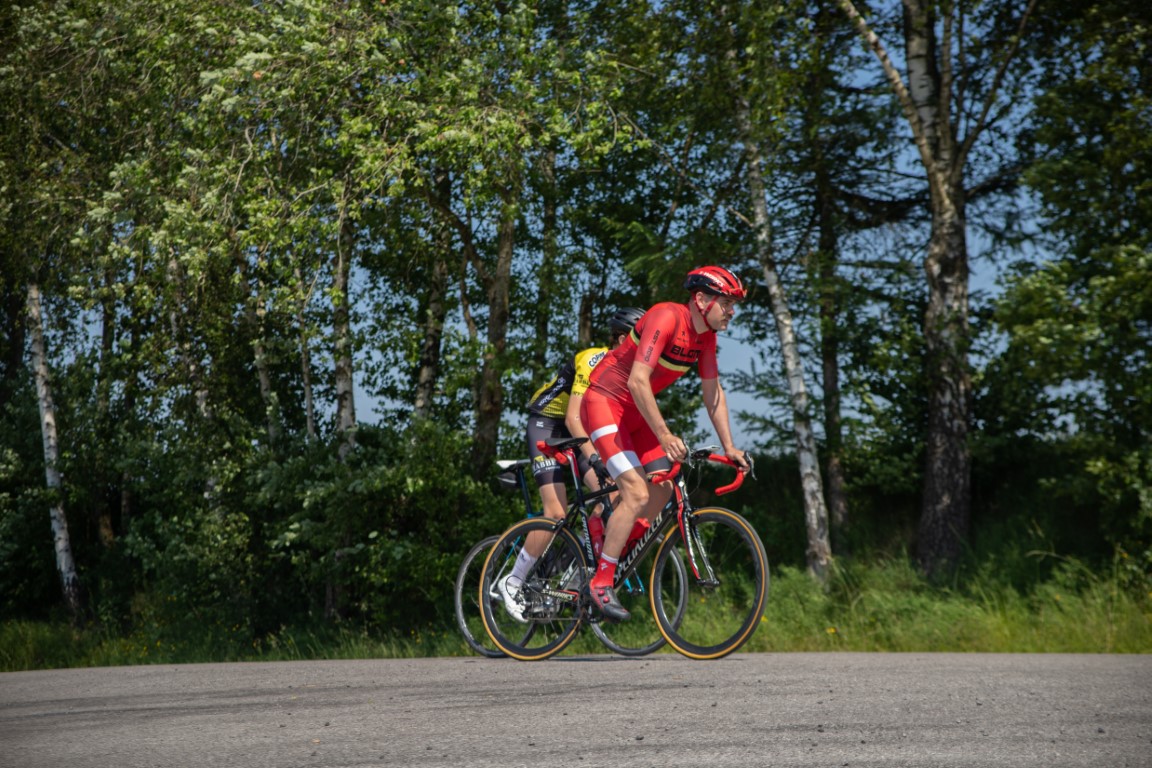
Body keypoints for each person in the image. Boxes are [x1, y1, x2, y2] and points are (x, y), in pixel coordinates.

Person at [579, 266, 751, 621]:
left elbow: (713, 395)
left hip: (635, 414)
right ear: (701, 300)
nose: (731, 312)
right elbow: (638, 381)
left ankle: (609, 541)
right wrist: (665, 435)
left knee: (662, 487)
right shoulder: (665, 317)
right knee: (636, 492)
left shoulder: (706, 339)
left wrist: (730, 447)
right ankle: (601, 581)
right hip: (605, 402)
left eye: (733, 305)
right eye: (726, 303)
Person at [496, 306, 647, 622]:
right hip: (550, 424)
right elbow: (572, 418)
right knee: (556, 513)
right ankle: (513, 581)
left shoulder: (630, 375)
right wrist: (594, 458)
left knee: (616, 496)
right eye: (640, 338)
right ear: (622, 338)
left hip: (582, 433)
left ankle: (579, 567)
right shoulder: (592, 359)